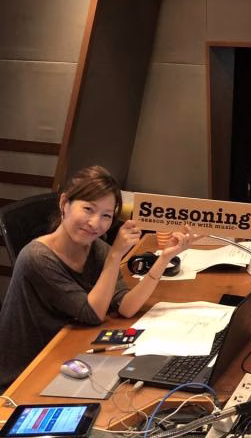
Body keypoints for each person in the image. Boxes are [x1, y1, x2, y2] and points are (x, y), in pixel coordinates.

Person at [0, 165, 199, 390]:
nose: (95, 223)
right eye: (88, 209)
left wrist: (164, 259)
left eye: (106, 215)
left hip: (66, 353)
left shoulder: (97, 249)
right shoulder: (37, 257)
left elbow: (126, 307)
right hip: (23, 375)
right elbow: (92, 313)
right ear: (64, 203)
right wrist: (115, 256)